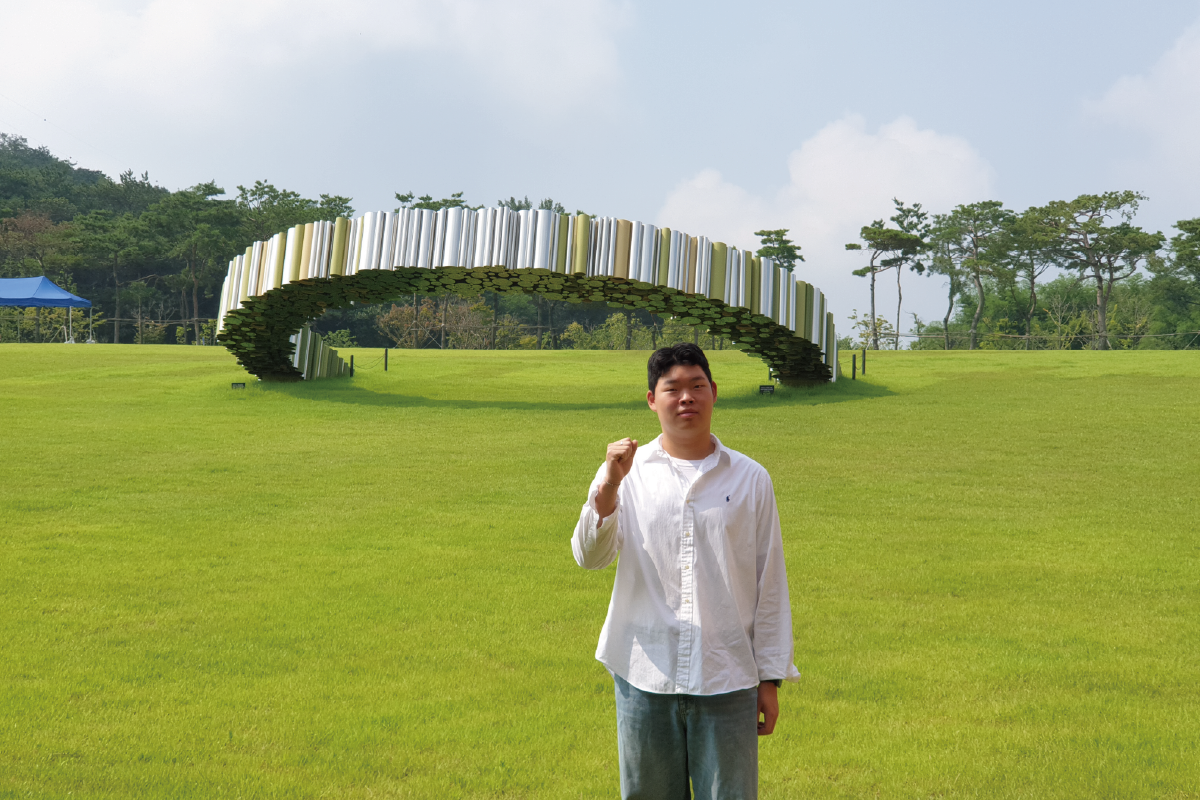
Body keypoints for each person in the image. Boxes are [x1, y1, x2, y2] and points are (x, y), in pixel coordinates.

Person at [571, 342, 799, 799]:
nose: (686, 398)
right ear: (651, 400)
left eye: (697, 386)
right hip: (644, 674)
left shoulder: (751, 478)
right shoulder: (626, 473)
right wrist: (610, 484)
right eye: (672, 388)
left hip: (726, 676)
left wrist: (770, 678)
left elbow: (769, 581)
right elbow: (589, 556)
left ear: (714, 391)